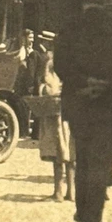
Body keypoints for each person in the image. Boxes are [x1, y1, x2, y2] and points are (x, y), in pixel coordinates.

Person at [53, 0, 112, 222]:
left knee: (83, 157)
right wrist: (105, 85)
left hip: (79, 101)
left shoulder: (68, 25)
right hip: (109, 103)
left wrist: (84, 83)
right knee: (101, 161)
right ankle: (94, 220)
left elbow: (61, 65)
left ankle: (82, 209)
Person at [36, 35, 75, 202]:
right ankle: (72, 191)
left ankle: (58, 191)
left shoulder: (51, 63)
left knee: (58, 152)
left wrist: (42, 89)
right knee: (72, 153)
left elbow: (48, 89)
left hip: (56, 115)